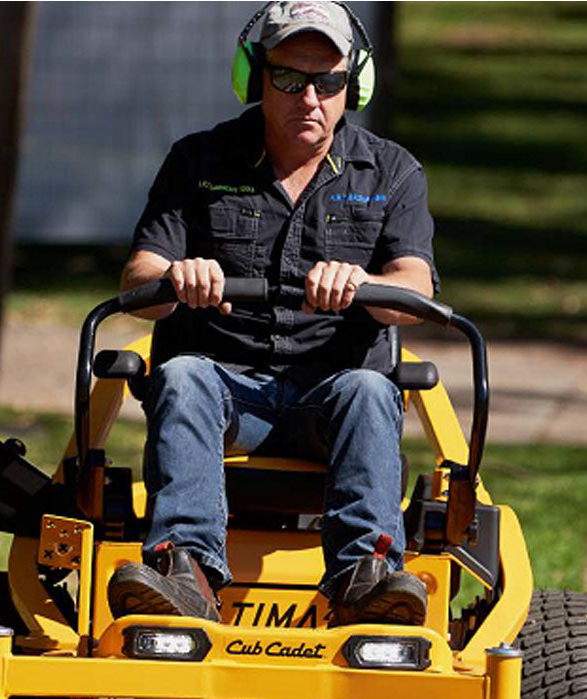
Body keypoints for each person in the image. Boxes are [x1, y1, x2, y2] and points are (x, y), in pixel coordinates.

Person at [108, 0, 438, 627]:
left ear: (354, 85)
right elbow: (139, 275)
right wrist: (177, 276)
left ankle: (367, 579)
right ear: (254, 76)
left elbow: (414, 286)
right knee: (181, 376)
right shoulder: (197, 161)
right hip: (223, 389)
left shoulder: (393, 171)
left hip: (332, 395)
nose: (308, 97)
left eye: (329, 81)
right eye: (289, 77)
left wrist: (365, 281)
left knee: (371, 389)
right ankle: (187, 572)